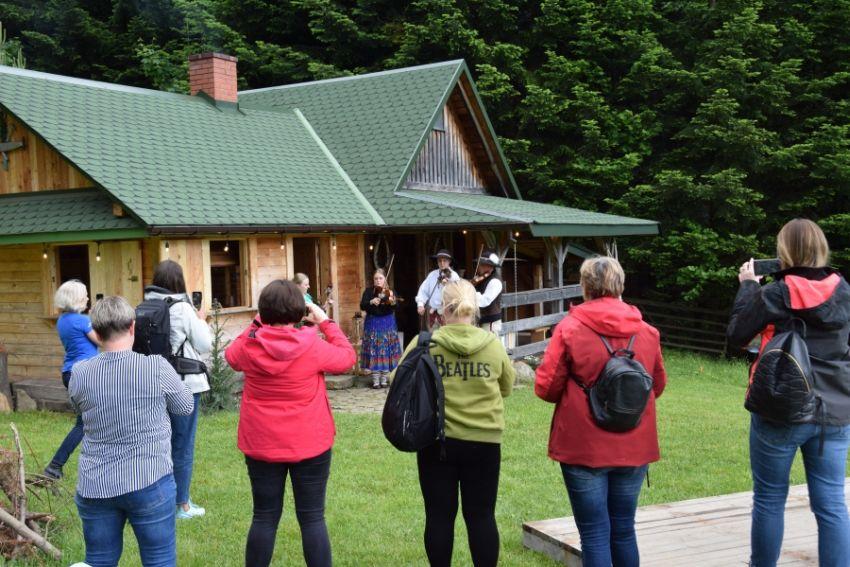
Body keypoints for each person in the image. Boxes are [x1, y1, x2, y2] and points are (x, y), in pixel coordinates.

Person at [727, 219, 850, 567]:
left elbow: (736, 335)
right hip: (834, 410)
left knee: (769, 499)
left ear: (785, 251)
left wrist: (748, 287)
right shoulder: (845, 291)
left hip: (780, 407)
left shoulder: (775, 293)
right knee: (832, 503)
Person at [534, 256, 666, 567]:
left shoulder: (569, 329)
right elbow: (657, 386)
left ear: (585, 286)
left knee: (594, 533)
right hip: (634, 444)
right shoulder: (647, 332)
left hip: (584, 446)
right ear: (621, 285)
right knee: (624, 529)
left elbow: (546, 388)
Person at [225, 280, 356, 567]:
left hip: (262, 443)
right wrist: (325, 322)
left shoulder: (250, 344)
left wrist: (257, 321)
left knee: (264, 516)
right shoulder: (312, 345)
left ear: (263, 312)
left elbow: (231, 356)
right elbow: (347, 357)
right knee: (312, 518)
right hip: (309, 442)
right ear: (299, 311)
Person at [396, 279, 514, 567]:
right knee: (482, 516)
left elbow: (396, 380)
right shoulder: (492, 345)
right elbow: (507, 387)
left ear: (442, 309)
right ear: (473, 309)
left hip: (436, 440)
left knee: (439, 516)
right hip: (484, 441)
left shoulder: (425, 344)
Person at [70, 296, 194, 567]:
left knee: (98, 560)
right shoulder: (156, 367)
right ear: (132, 327)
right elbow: (185, 406)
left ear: (97, 333)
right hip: (150, 479)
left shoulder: (79, 373)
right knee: (159, 560)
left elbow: (78, 409)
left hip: (96, 483)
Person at [144, 260, 212, 520]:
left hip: (153, 382)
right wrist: (201, 320)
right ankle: (181, 504)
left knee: (157, 443)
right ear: (179, 281)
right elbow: (204, 344)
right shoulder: (182, 308)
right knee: (182, 444)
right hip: (184, 384)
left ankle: (156, 497)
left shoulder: (145, 305)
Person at [43, 280, 101, 480]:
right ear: (76, 299)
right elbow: (102, 340)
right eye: (85, 295)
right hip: (85, 374)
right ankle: (54, 466)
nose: (87, 298)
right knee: (84, 424)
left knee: (91, 421)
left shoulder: (63, 320)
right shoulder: (81, 321)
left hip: (70, 373)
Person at [359, 269, 403, 388]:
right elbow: (362, 305)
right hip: (373, 323)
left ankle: (384, 379)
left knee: (386, 350)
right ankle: (375, 380)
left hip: (387, 323)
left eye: (380, 278)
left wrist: (392, 302)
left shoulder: (390, 291)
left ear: (385, 279)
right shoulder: (369, 292)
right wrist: (371, 302)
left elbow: (396, 306)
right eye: (376, 278)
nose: (378, 281)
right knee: (375, 349)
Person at [415, 249, 460, 330]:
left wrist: (448, 284)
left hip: (448, 313)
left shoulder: (454, 276)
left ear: (449, 261)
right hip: (434, 313)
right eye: (439, 261)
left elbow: (458, 293)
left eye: (444, 261)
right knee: (434, 335)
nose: (442, 263)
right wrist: (420, 305)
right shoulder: (432, 275)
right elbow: (423, 290)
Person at [471, 250, 504, 338]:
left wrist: (471, 291)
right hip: (482, 321)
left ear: (490, 267)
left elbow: (484, 301)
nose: (479, 267)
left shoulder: (495, 281)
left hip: (490, 323)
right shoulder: (481, 279)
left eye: (482, 265)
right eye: (480, 264)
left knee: (491, 345)